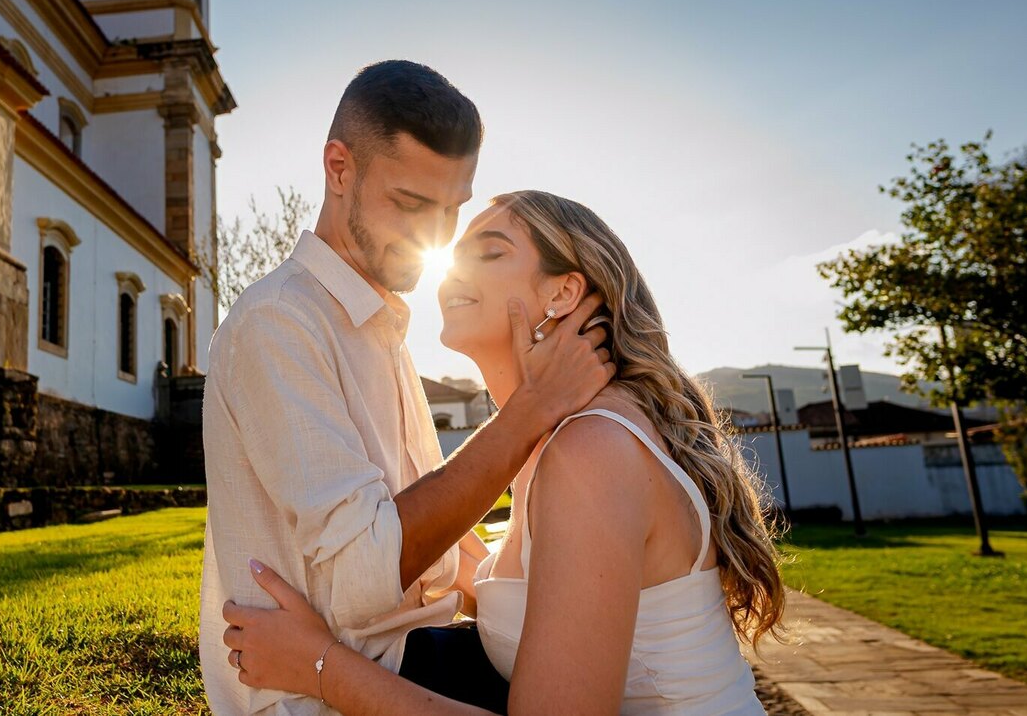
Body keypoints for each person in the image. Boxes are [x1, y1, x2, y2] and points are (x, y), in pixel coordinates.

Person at [221, 191, 786, 716]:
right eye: (455, 252)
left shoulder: (591, 450)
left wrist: (318, 666)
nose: (453, 269)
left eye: (490, 252)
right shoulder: (552, 439)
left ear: (562, 293)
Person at [200, 64, 617, 716]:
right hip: (337, 692)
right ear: (339, 169)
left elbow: (432, 538)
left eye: (451, 210)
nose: (435, 237)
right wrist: (530, 412)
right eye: (413, 205)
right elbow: (365, 579)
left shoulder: (380, 323)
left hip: (415, 659)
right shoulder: (278, 324)